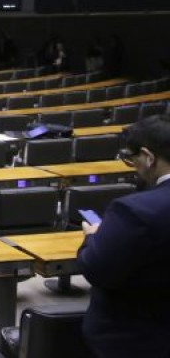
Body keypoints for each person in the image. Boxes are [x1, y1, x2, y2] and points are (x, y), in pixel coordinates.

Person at [76, 114, 170, 357]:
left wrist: (92, 238)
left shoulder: (135, 210)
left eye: (132, 158)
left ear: (149, 157)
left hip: (140, 341)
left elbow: (96, 269)